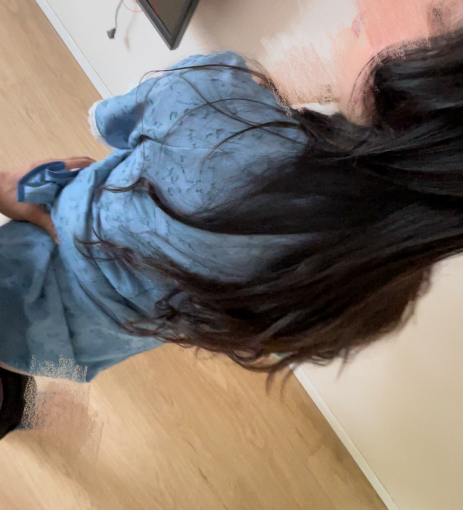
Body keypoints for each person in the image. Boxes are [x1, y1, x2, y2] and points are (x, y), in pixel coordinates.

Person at [1, 33, 462, 421]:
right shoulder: (376, 291)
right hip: (89, 342)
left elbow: (105, 121)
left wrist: (14, 188)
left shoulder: (215, 99)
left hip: (25, 280)